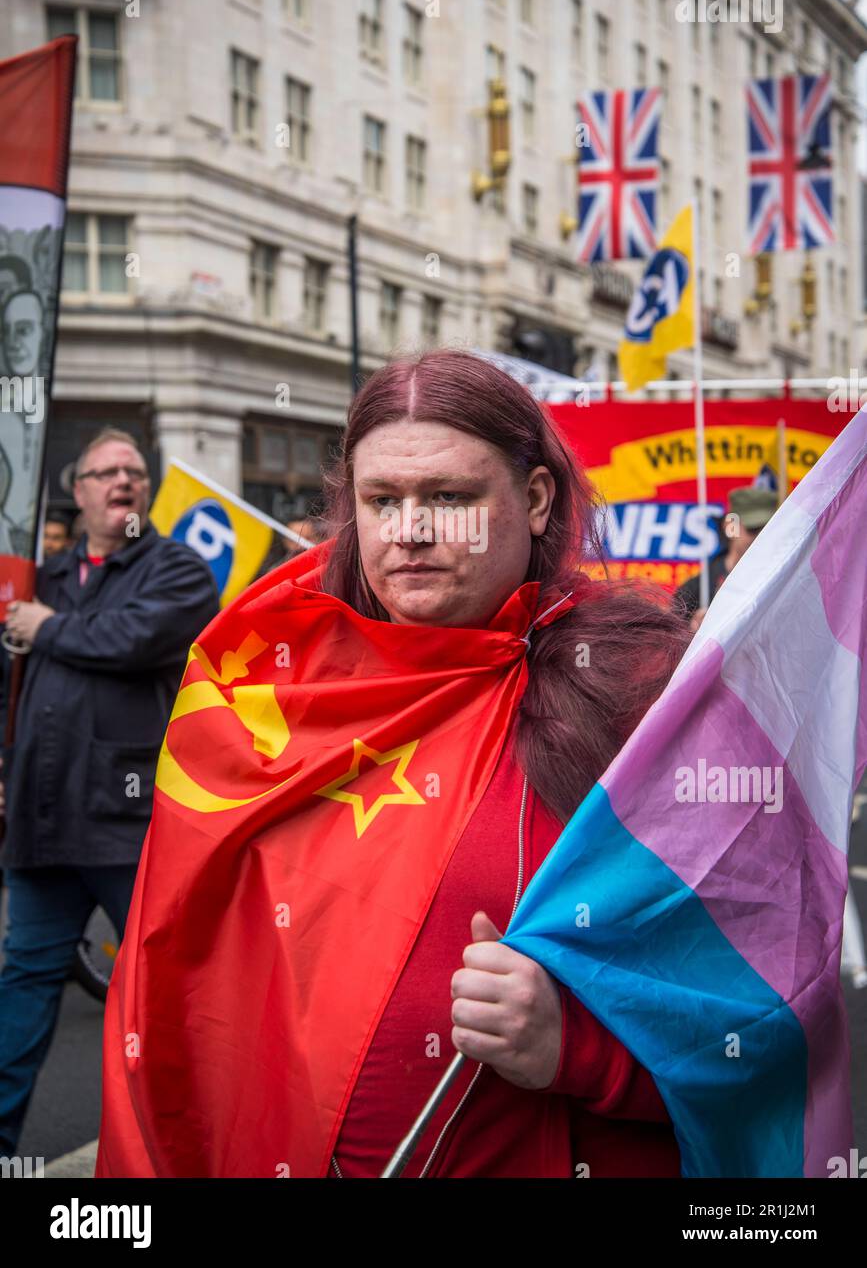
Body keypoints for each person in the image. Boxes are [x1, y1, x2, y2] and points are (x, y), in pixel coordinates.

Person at [96, 351, 690, 1179]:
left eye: (450, 497)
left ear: (534, 498)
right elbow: (188, 970)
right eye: (383, 501)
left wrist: (579, 1049)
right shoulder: (275, 684)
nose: (409, 530)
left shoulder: (643, 690)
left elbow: (759, 1000)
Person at [0, 427, 220, 1157]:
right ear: (81, 489)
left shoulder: (179, 569)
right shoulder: (46, 577)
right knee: (26, 983)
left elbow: (135, 637)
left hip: (131, 822)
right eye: (107, 472)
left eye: (134, 472)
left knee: (162, 993)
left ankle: (181, 1147)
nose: (123, 481)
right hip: (42, 818)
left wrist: (49, 628)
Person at [675, 484, 777, 632]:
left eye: (770, 529)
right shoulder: (695, 590)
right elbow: (667, 641)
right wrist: (691, 633)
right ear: (730, 526)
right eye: (754, 529)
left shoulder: (782, 579)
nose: (762, 537)